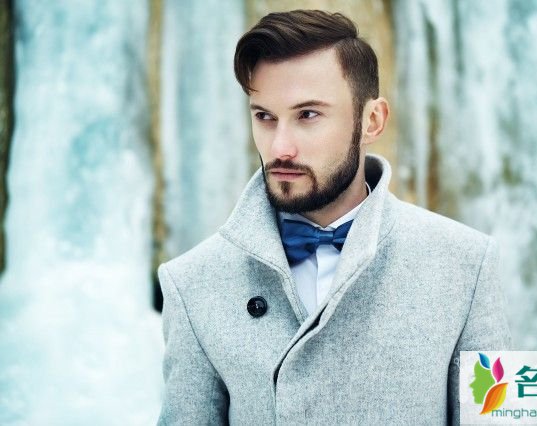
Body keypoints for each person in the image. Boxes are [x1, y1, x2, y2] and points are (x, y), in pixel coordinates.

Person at [158, 9, 510, 425]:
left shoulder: (465, 266)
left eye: (308, 115)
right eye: (264, 117)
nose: (280, 147)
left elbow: (495, 417)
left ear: (372, 121)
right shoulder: (193, 282)